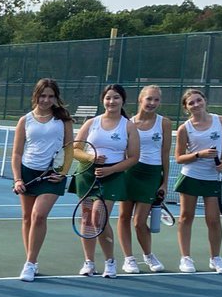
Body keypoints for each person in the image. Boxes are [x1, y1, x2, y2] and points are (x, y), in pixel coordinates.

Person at [11, 78, 74, 282]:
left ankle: (29, 263)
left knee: (39, 216)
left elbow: (70, 149)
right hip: (28, 172)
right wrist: (17, 179)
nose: (46, 100)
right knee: (27, 217)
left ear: (56, 98)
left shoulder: (63, 119)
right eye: (43, 95)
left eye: (51, 96)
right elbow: (17, 154)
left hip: (52, 176)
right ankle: (32, 259)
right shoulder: (25, 120)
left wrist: (63, 172)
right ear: (36, 96)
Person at [73, 84, 139, 278]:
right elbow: (75, 149)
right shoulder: (91, 122)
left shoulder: (128, 126)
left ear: (123, 101)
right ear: (103, 100)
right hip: (87, 175)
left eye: (116, 98)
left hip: (113, 175)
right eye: (108, 97)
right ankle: (89, 262)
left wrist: (110, 169)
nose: (112, 101)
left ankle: (110, 261)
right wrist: (90, 158)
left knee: (99, 218)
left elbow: (133, 157)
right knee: (86, 219)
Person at [174, 88, 222, 275]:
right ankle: (185, 258)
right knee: (186, 217)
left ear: (205, 101)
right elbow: (178, 158)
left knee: (213, 220)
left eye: (199, 100)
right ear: (186, 107)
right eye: (191, 103)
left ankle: (215, 258)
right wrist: (199, 154)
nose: (196, 104)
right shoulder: (185, 128)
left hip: (212, 178)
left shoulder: (221, 121)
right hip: (191, 175)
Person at [118, 85, 171, 274]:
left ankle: (148, 255)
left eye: (156, 100)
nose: (152, 103)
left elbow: (165, 154)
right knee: (124, 217)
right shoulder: (127, 123)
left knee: (139, 221)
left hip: (151, 175)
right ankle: (128, 258)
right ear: (140, 100)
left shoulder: (164, 123)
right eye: (149, 99)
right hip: (130, 172)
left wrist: (164, 182)